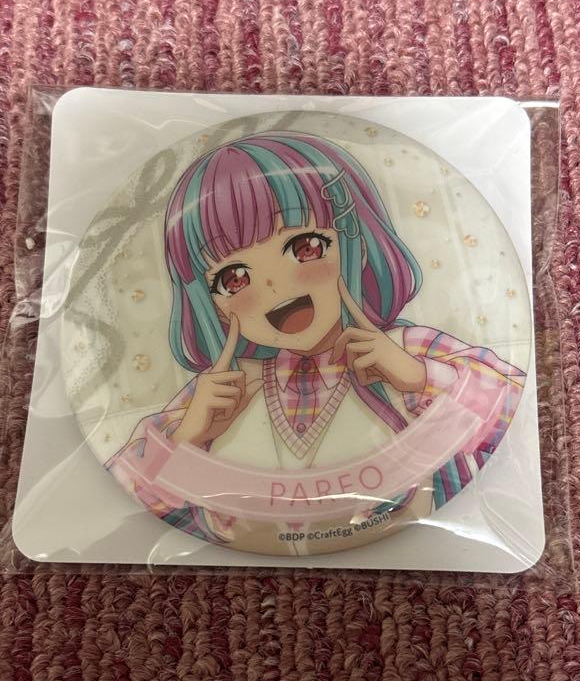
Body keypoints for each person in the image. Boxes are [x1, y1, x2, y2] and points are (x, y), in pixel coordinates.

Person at [106, 131, 524, 550]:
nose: (274, 285)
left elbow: (512, 412)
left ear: (357, 243)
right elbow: (123, 489)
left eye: (304, 247)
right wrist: (188, 437)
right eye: (235, 278)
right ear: (211, 304)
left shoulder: (409, 350)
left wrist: (418, 377)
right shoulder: (222, 391)